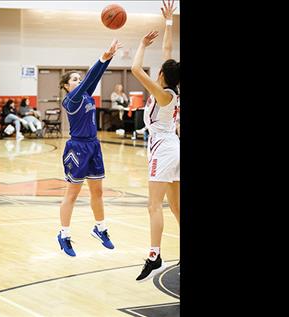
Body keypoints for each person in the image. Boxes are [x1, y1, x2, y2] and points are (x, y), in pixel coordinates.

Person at [57, 39, 123, 257]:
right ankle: (64, 234)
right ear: (67, 85)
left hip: (93, 146)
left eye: (79, 78)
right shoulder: (71, 100)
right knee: (72, 194)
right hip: (77, 148)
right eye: (74, 79)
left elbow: (94, 77)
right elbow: (88, 81)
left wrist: (109, 57)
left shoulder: (84, 94)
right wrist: (103, 57)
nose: (79, 81)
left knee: (98, 192)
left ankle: (100, 228)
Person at [131, 0, 180, 281]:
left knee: (154, 206)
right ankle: (156, 254)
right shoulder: (171, 90)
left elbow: (137, 69)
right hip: (172, 148)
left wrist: (141, 44)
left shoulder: (163, 94)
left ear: (162, 75)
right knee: (174, 207)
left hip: (164, 150)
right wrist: (169, 22)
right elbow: (168, 51)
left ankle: (155, 256)